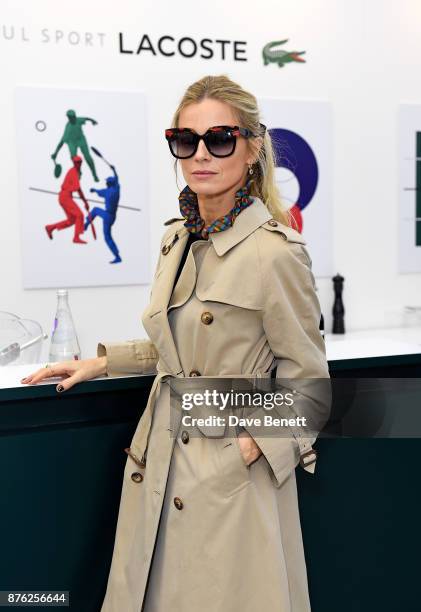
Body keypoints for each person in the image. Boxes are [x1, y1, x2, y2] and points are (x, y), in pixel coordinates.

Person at [23, 75, 331, 612]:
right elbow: (180, 350)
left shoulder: (275, 253)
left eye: (220, 139)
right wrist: (101, 361)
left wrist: (251, 449)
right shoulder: (176, 237)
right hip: (159, 465)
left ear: (253, 147)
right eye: (185, 141)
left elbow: (309, 384)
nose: (201, 155)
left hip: (230, 481)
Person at [45, 155, 90, 244]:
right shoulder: (73, 171)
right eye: (77, 162)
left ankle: (50, 228)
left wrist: (85, 201)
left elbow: (78, 189)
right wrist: (84, 201)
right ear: (74, 163)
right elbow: (78, 188)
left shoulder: (76, 172)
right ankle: (76, 237)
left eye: (80, 162)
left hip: (65, 197)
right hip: (65, 196)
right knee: (80, 215)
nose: (79, 164)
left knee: (72, 220)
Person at [85, 165, 122, 264]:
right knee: (96, 210)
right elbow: (117, 180)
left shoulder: (107, 191)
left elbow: (99, 191)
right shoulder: (117, 189)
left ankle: (86, 224)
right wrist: (114, 170)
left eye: (107, 182)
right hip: (112, 216)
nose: (105, 183)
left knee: (107, 236)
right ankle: (117, 255)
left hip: (108, 216)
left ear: (109, 184)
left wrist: (94, 190)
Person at [51, 109, 100, 182]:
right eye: (72, 118)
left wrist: (93, 120)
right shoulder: (68, 129)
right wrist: (55, 153)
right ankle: (78, 172)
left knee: (87, 157)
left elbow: (86, 118)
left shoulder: (78, 120)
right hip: (72, 142)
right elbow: (61, 142)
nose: (74, 118)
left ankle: (94, 174)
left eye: (74, 117)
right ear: (69, 118)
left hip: (81, 140)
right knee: (74, 157)